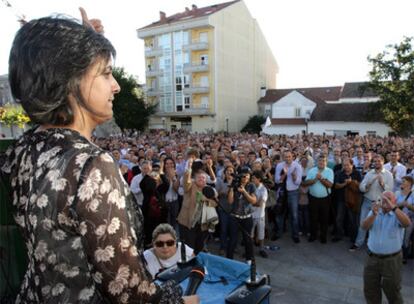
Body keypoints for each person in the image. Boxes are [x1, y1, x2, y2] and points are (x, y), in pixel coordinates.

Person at [1, 10, 197, 303]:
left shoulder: (22, 150)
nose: (116, 85)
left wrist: (80, 45)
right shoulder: (92, 165)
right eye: (105, 73)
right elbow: (125, 289)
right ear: (70, 79)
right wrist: (177, 301)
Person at [362, 191, 411, 304]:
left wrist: (393, 208)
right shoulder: (374, 212)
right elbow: (364, 227)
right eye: (383, 198)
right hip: (372, 258)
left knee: (393, 291)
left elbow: (407, 223)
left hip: (392, 260)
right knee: (370, 289)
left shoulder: (397, 214)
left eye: (389, 199)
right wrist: (373, 215)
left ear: (394, 201)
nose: (385, 201)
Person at [351, 155, 394, 251]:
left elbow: (390, 191)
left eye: (379, 161)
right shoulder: (370, 173)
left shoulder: (388, 175)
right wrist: (367, 185)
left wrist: (383, 184)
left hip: (380, 204)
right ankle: (358, 243)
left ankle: (373, 246)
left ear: (383, 162)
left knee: (377, 226)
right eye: (375, 161)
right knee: (363, 223)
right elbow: (361, 187)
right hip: (367, 201)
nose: (377, 163)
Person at [227, 168, 257, 262]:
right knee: (232, 240)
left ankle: (249, 260)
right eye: (243, 176)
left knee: (248, 239)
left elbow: (253, 201)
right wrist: (232, 187)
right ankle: (229, 260)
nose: (245, 178)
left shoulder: (251, 186)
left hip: (247, 217)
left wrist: (244, 191)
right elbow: (230, 201)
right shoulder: (235, 185)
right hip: (235, 217)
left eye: (247, 175)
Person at [304, 155, 334, 243]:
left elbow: (330, 185)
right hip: (313, 199)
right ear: (317, 162)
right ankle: (313, 236)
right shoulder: (312, 170)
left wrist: (321, 179)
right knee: (313, 218)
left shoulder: (330, 171)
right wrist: (314, 179)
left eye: (323, 161)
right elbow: (305, 183)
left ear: (326, 162)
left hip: (325, 199)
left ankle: (323, 237)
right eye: (320, 160)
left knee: (324, 219)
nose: (321, 162)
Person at [275, 150, 302, 243]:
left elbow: (298, 182)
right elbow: (277, 180)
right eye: (286, 157)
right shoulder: (279, 166)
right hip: (282, 192)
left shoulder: (297, 166)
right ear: (283, 157)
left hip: (293, 192)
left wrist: (294, 175)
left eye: (289, 156)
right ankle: (279, 233)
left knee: (294, 215)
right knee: (280, 213)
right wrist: (284, 174)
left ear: (292, 157)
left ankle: (295, 235)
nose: (287, 158)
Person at [395, 176, 414, 263]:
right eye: (402, 181)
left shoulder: (413, 194)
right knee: (396, 237)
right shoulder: (397, 193)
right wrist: (401, 204)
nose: (401, 183)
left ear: (409, 184)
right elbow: (392, 205)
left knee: (405, 239)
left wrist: (409, 206)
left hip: (409, 220)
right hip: (396, 218)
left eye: (404, 181)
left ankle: (404, 256)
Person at [251, 170, 269, 258]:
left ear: (259, 179)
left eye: (253, 178)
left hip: (260, 215)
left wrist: (251, 202)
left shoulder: (263, 189)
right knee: (250, 234)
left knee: (261, 233)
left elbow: (260, 204)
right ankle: (249, 250)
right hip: (251, 215)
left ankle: (261, 249)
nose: (252, 180)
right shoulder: (251, 187)